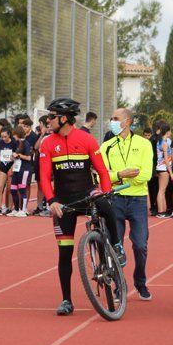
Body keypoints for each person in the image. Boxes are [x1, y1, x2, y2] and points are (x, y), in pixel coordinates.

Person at [39, 98, 123, 316]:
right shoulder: (48, 143)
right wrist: (51, 201)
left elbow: (103, 172)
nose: (48, 120)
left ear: (64, 118)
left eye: (52, 116)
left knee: (105, 204)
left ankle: (117, 244)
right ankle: (66, 300)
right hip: (63, 202)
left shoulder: (86, 139)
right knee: (64, 253)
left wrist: (105, 191)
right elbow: (45, 177)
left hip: (87, 195)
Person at [101, 107, 155, 301]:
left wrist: (118, 178)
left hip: (138, 200)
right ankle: (118, 286)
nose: (112, 121)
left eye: (116, 118)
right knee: (115, 245)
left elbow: (146, 174)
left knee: (140, 245)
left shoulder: (144, 144)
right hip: (114, 200)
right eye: (111, 118)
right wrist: (121, 175)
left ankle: (140, 281)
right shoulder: (107, 146)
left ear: (128, 121)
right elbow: (100, 174)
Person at [9, 125, 34, 217]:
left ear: (17, 134)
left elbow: (28, 157)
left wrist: (18, 155)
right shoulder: (17, 143)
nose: (13, 137)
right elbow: (15, 155)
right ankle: (16, 209)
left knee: (22, 189)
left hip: (24, 169)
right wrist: (13, 157)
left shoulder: (26, 143)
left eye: (14, 135)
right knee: (13, 190)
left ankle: (23, 210)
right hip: (16, 169)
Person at [0, 127, 17, 216]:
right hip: (2, 167)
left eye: (5, 137)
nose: (3, 139)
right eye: (2, 137)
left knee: (10, 189)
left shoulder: (14, 143)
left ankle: (9, 208)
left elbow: (16, 156)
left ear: (9, 135)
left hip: (11, 167)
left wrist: (13, 167)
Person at [154, 123, 173, 218]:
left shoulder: (160, 141)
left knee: (161, 190)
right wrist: (171, 173)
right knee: (162, 190)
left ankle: (161, 211)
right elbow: (166, 159)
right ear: (167, 132)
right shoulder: (164, 143)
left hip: (160, 168)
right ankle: (161, 212)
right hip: (164, 168)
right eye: (170, 131)